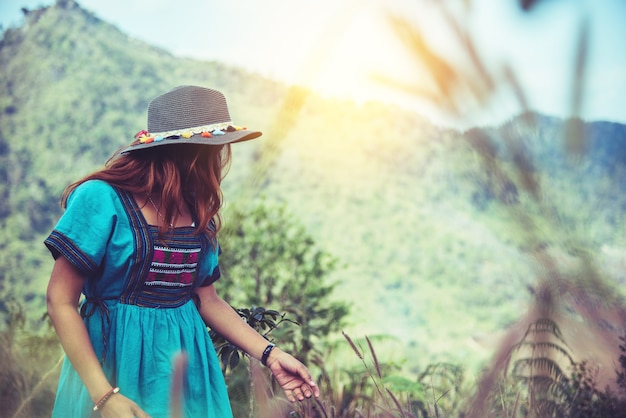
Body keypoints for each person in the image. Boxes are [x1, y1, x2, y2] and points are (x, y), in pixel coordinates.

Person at [45, 85, 319, 417]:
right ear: (184, 153)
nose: (217, 160)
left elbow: (207, 299)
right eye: (211, 150)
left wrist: (270, 354)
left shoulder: (195, 209)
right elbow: (60, 301)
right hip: (113, 362)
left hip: (186, 368)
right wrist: (104, 395)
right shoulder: (101, 198)